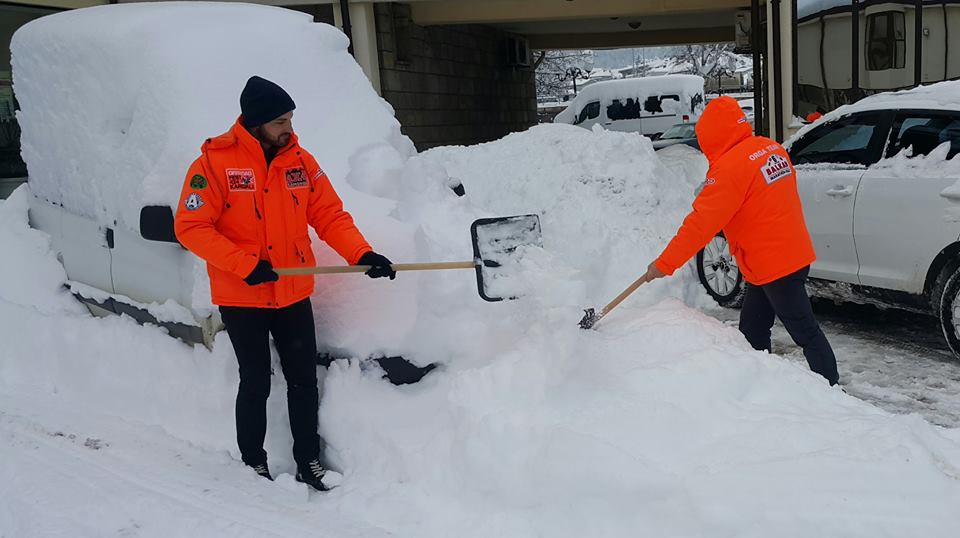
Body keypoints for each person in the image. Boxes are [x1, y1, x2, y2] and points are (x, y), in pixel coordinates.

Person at [174, 75, 396, 490]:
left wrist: (361, 254)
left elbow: (329, 214)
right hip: (243, 296)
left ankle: (308, 461)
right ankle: (253, 463)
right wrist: (243, 264)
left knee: (303, 381)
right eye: (279, 121)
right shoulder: (213, 164)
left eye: (290, 118)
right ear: (256, 122)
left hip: (293, 293)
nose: (288, 127)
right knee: (255, 381)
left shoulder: (300, 162)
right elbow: (191, 227)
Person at [642, 96, 840, 386]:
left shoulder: (729, 170)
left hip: (775, 267)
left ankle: (832, 391)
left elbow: (699, 226)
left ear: (711, 135)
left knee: (805, 333)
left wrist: (664, 264)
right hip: (785, 257)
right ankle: (757, 386)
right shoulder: (770, 149)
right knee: (753, 330)